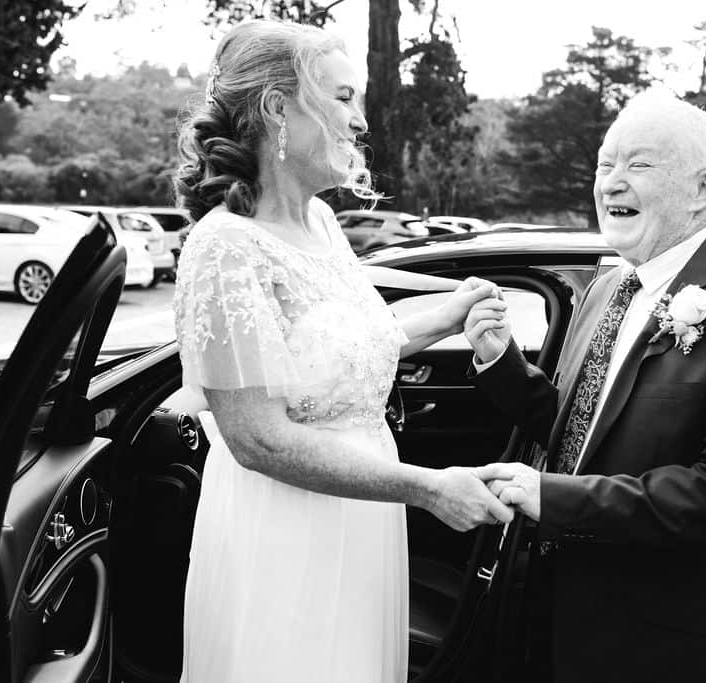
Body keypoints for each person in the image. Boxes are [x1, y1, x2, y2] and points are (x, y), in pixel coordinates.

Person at [171, 20, 512, 683]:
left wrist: (446, 314)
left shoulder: (322, 224)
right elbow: (258, 440)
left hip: (361, 524)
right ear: (277, 110)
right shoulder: (226, 247)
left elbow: (343, 349)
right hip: (285, 534)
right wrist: (427, 488)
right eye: (343, 97)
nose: (360, 121)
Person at [465, 91, 706, 683]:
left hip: (667, 642)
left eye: (639, 165)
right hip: (562, 619)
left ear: (703, 188)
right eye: (605, 165)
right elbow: (578, 430)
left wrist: (554, 498)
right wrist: (500, 362)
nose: (611, 183)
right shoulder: (607, 289)